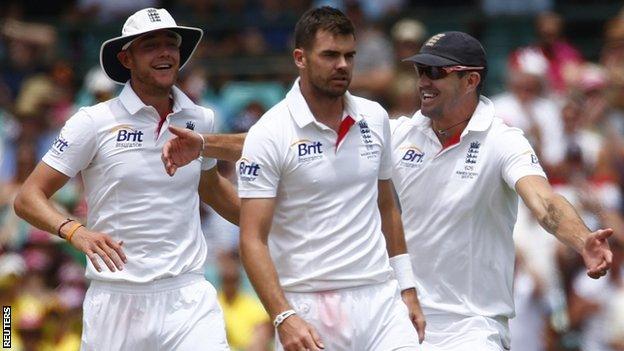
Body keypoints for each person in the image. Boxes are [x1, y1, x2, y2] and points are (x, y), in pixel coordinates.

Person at [162, 6, 425, 351]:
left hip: (381, 300)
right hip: (309, 306)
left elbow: (387, 207)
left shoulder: (374, 118)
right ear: (300, 58)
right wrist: (283, 316)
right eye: (330, 55)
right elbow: (252, 239)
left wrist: (407, 288)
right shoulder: (270, 132)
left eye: (349, 55)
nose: (342, 65)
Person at [13, 8, 238, 350]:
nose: (164, 52)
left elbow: (210, 188)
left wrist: (273, 223)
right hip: (116, 299)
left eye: (170, 44)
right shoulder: (93, 121)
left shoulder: (200, 117)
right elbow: (28, 197)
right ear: (126, 58)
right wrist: (75, 231)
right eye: (151, 45)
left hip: (188, 296)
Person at [390, 31, 613, 350]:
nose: (424, 81)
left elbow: (544, 201)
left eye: (436, 72)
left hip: (474, 326)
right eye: (420, 71)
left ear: (470, 81)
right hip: (403, 320)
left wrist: (582, 240)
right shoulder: (398, 134)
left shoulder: (503, 140)